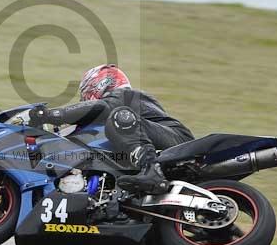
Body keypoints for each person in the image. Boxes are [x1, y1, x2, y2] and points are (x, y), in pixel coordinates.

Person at [29, 64, 194, 194]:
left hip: (179, 142)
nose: (85, 100)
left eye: (86, 96)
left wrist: (51, 114)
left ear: (98, 85)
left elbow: (101, 107)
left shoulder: (126, 97)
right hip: (164, 145)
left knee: (119, 116)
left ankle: (152, 172)